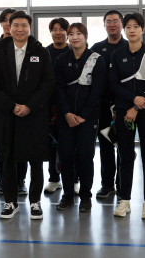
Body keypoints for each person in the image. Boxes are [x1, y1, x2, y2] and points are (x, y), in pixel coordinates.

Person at [0, 11, 54, 220]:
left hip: (33, 116)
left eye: (24, 25)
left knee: (35, 160)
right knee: (7, 159)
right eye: (15, 25)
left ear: (29, 28)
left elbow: (48, 83)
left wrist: (29, 106)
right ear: (9, 27)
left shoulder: (41, 52)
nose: (19, 29)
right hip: (6, 115)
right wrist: (10, 106)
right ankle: (10, 202)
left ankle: (35, 202)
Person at [109, 12, 145, 220]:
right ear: (125, 30)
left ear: (143, 29)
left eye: (136, 26)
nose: (132, 30)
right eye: (128, 27)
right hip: (124, 110)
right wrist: (133, 101)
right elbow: (114, 84)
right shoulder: (117, 54)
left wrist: (139, 104)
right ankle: (125, 200)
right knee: (125, 156)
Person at [53, 23, 106, 212]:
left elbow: (97, 90)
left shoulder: (96, 59)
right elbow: (57, 88)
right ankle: (67, 195)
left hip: (88, 118)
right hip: (65, 117)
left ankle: (85, 197)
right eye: (71, 34)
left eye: (79, 34)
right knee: (66, 156)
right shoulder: (61, 59)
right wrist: (66, 113)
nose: (75, 37)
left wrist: (84, 115)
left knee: (85, 157)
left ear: (85, 36)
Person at [0, 8, 29, 196]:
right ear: (5, 25)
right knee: (2, 146)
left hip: (25, 107)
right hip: (1, 106)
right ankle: (2, 180)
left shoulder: (31, 48)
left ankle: (20, 181)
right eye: (7, 20)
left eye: (18, 22)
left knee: (22, 145)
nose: (9, 23)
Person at [90, 10, 127, 199]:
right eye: (108, 21)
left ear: (121, 24)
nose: (112, 24)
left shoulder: (129, 46)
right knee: (105, 147)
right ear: (104, 25)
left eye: (116, 21)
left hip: (125, 106)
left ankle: (123, 186)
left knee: (124, 147)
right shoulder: (96, 48)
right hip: (103, 106)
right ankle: (107, 185)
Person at [44, 17, 72, 194]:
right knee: (51, 144)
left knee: (70, 145)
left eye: (62, 29)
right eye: (54, 29)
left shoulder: (74, 51)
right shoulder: (43, 52)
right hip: (48, 105)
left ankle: (73, 179)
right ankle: (54, 179)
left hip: (69, 106)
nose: (58, 32)